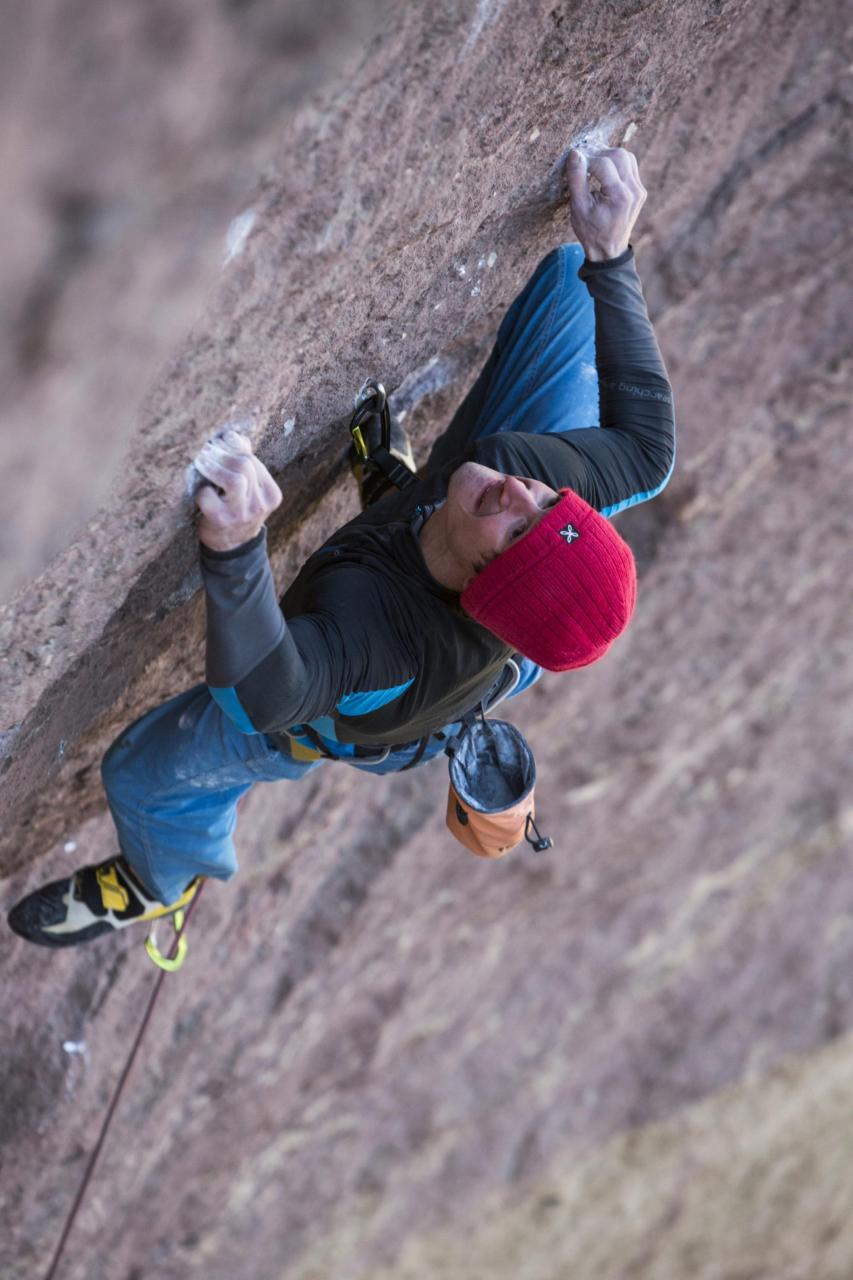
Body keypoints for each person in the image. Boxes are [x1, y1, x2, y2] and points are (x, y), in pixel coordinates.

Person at [8, 146, 675, 947]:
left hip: (350, 708)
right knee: (571, 284)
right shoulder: (534, 491)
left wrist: (237, 549)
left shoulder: (377, 641)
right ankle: (404, 501)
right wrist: (610, 254)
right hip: (507, 620)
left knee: (147, 774)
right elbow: (646, 452)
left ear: (484, 588)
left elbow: (266, 694)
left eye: (518, 524)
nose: (515, 487)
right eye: (544, 501)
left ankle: (158, 880)